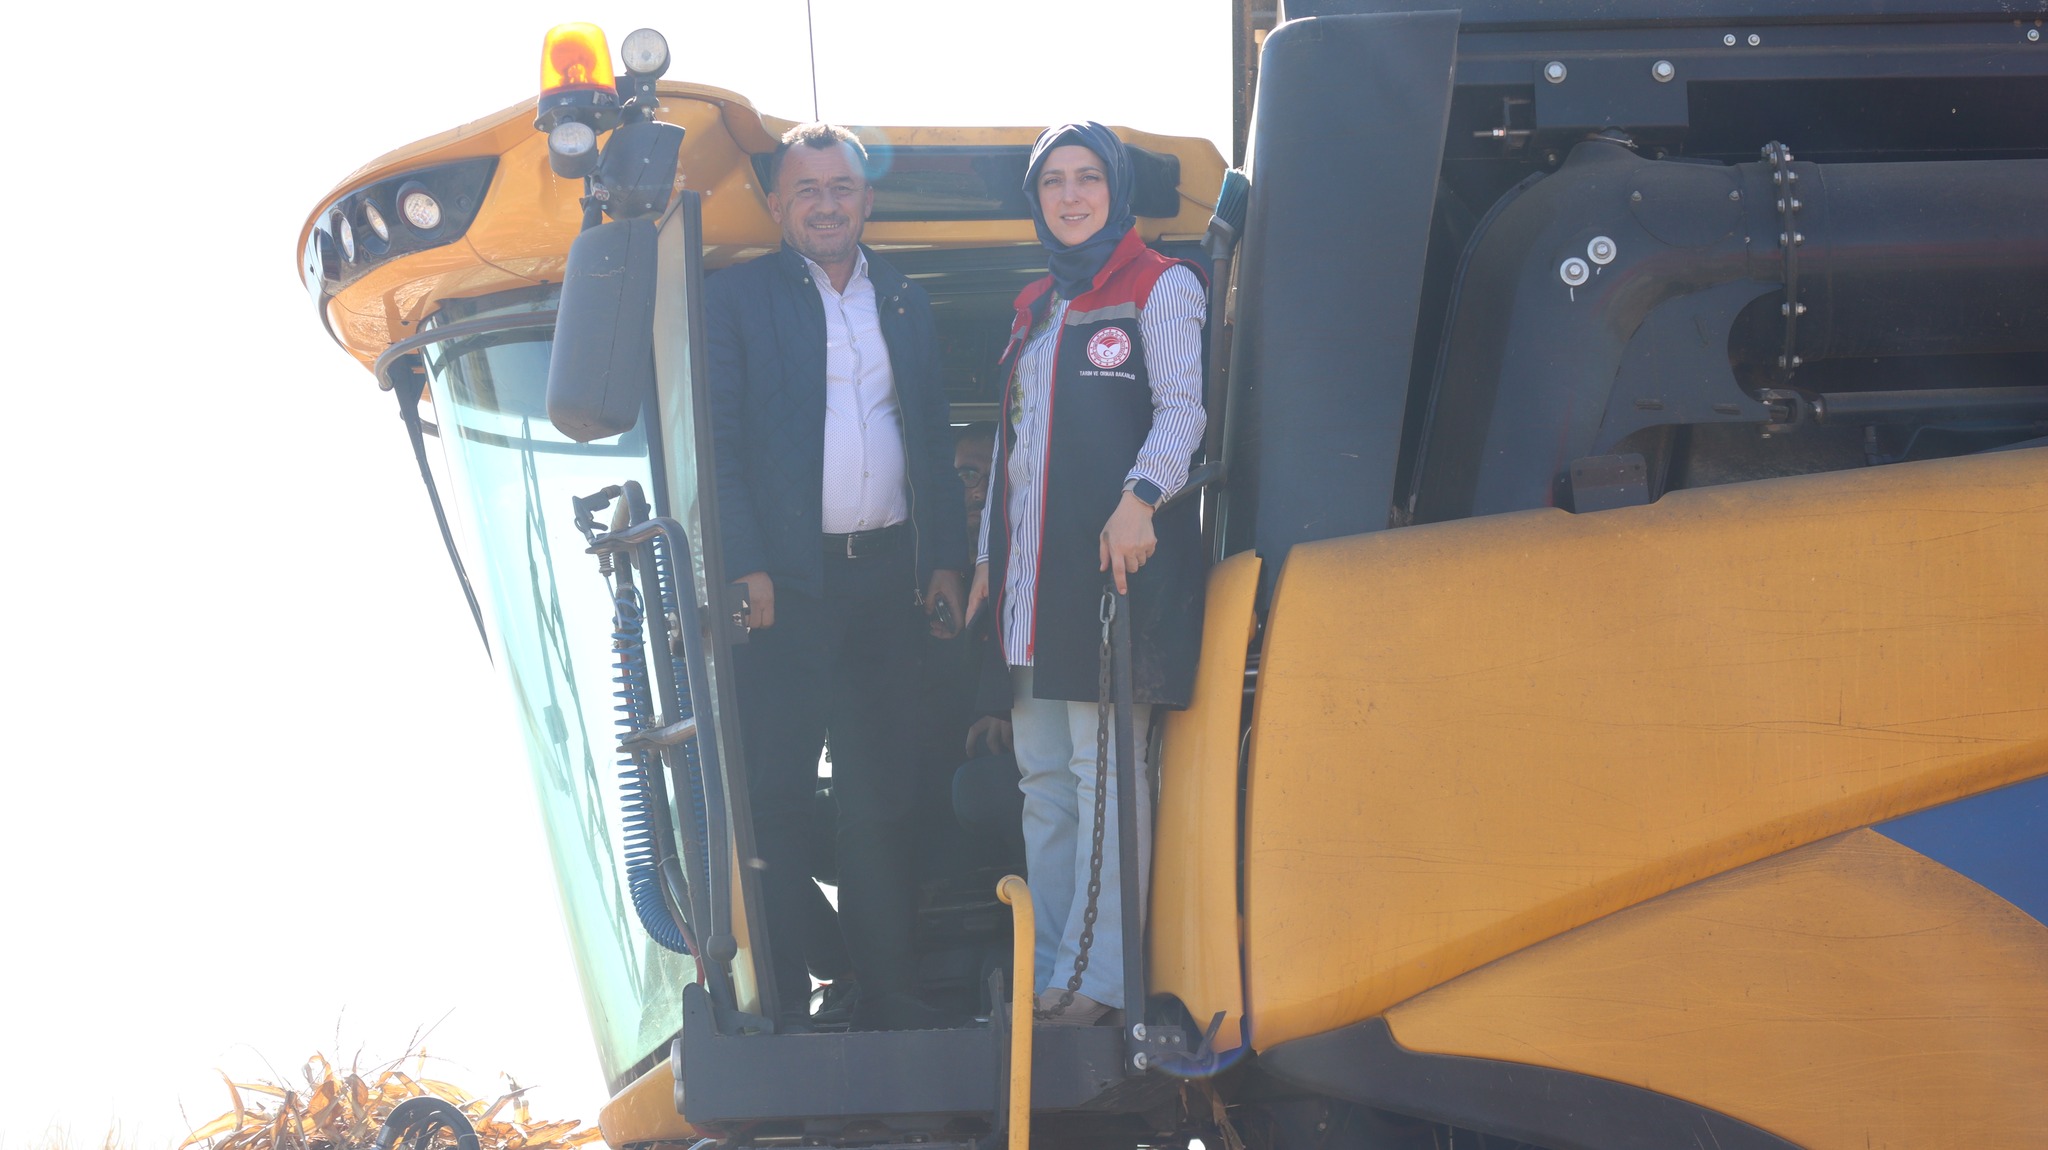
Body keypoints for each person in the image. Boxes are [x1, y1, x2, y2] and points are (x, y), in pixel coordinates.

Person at [706, 122, 969, 1032]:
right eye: (807, 189)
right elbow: (718, 448)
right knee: (773, 797)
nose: (826, 204)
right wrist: (747, 563)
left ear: (867, 199)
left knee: (880, 795)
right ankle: (798, 993)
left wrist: (945, 559)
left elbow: (931, 436)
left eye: (842, 187)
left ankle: (889, 994)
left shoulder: (904, 300)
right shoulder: (734, 300)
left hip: (886, 581)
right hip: (786, 587)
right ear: (776, 203)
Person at [964, 122, 1207, 1027]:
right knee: (1044, 784)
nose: (1071, 196)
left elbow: (1183, 412)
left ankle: (1098, 983)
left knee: (1103, 773)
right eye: (1054, 182)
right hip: (1030, 586)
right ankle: (1049, 977)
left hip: (1108, 573)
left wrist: (1141, 497)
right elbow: (1014, 451)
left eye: (1088, 178)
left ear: (1117, 190)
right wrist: (986, 556)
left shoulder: (1161, 284)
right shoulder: (1034, 305)